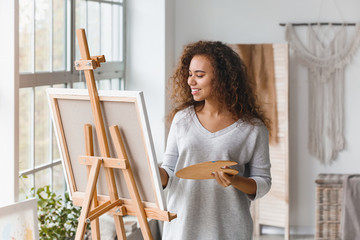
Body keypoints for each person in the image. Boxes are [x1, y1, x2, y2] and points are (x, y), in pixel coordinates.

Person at [158, 40, 272, 240]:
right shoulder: (182, 119)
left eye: (199, 75)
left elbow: (263, 182)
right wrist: (147, 170)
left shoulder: (252, 128)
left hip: (229, 230)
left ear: (222, 78)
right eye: (190, 74)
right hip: (182, 228)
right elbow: (169, 171)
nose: (190, 81)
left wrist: (235, 180)